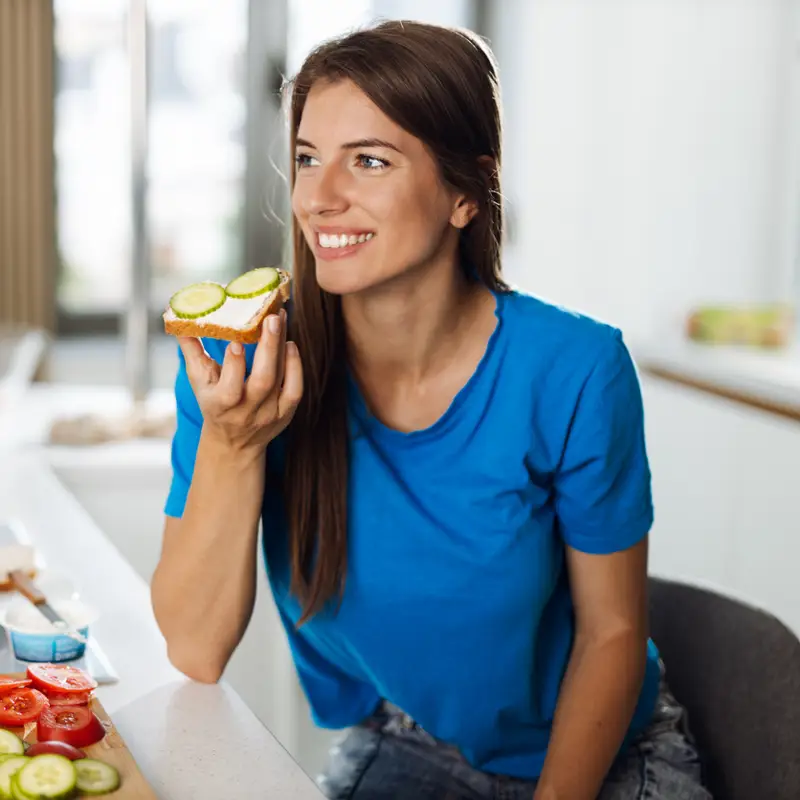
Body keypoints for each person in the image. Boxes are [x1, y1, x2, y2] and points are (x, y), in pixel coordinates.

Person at [152, 19, 712, 800]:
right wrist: (235, 445)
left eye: (370, 161)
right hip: (412, 743)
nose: (320, 198)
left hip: (597, 756)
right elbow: (195, 649)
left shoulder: (575, 369)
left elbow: (613, 632)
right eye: (308, 158)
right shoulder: (241, 369)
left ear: (463, 194)